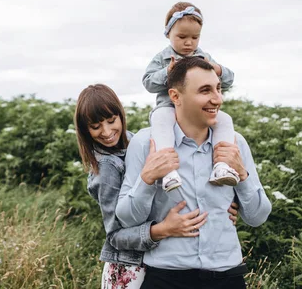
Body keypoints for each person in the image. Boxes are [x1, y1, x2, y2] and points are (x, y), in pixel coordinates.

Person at [117, 57, 272, 289]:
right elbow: (126, 218)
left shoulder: (234, 143)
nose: (217, 99)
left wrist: (242, 175)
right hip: (166, 278)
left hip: (228, 276)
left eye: (218, 89)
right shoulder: (145, 143)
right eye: (205, 90)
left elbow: (258, 217)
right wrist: (147, 178)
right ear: (175, 96)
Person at [75, 84, 240, 289]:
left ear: (121, 115)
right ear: (85, 130)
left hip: (156, 261)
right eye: (96, 126)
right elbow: (115, 236)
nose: (107, 132)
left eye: (111, 121)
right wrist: (162, 229)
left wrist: (225, 204)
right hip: (129, 268)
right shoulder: (107, 167)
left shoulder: (135, 142)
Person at [143, 2, 239, 191]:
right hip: (169, 107)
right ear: (168, 34)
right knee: (161, 119)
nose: (189, 43)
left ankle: (222, 166)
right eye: (182, 37)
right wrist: (167, 72)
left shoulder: (204, 57)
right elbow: (148, 82)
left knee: (225, 120)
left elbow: (229, 80)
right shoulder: (161, 58)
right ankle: (167, 170)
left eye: (195, 37)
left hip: (197, 111)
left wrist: (216, 68)